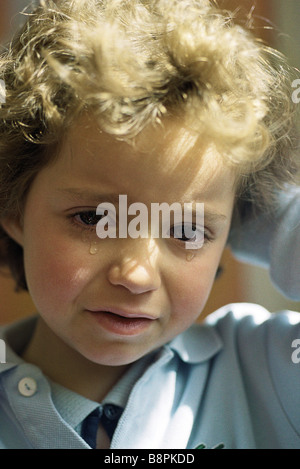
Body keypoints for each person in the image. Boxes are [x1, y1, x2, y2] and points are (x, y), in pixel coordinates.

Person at [0, 0, 299, 449]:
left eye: (187, 231)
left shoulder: (273, 369)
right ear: (13, 208)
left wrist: (268, 212)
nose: (136, 276)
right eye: (96, 218)